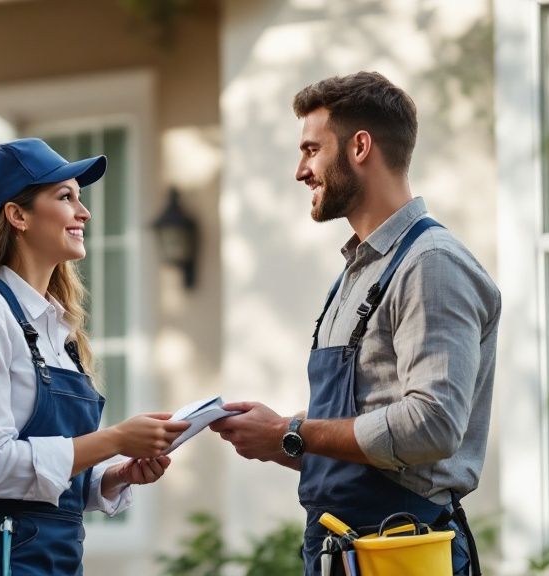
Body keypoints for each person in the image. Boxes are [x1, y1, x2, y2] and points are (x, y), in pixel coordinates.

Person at [210, 72, 501, 576]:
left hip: (404, 550)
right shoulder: (359, 271)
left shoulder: (431, 265)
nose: (301, 170)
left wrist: (290, 430)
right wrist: (279, 439)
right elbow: (368, 419)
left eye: (311, 149)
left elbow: (432, 425)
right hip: (344, 551)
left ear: (360, 146)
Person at [0, 138, 190, 575]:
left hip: (54, 556)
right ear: (17, 215)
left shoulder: (56, 327)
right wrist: (115, 439)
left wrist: (114, 475)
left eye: (80, 198)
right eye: (65, 197)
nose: (84, 213)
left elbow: (47, 480)